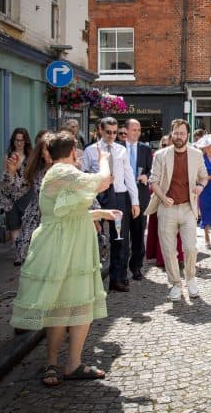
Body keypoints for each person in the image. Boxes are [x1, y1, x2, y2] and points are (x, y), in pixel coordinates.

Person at [10, 131, 120, 386]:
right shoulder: (62, 171)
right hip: (62, 246)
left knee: (78, 303)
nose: (79, 155)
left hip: (73, 243)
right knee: (61, 305)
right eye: (77, 151)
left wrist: (100, 213)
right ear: (71, 152)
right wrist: (103, 157)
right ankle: (54, 363)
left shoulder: (61, 174)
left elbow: (67, 210)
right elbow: (103, 181)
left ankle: (72, 363)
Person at [146, 119, 208, 301]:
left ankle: (191, 278)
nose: (178, 136)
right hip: (167, 208)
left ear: (187, 135)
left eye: (182, 133)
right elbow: (153, 181)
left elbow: (204, 177)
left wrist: (200, 187)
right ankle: (175, 283)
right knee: (168, 250)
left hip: (188, 208)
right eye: (176, 133)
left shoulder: (196, 155)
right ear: (171, 133)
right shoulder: (161, 155)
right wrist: (163, 198)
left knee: (190, 248)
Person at [81, 117, 140, 293]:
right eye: (108, 132)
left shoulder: (121, 150)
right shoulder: (90, 151)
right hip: (97, 197)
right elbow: (83, 175)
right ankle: (91, 281)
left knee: (120, 239)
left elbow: (129, 175)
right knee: (94, 238)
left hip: (119, 197)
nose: (112, 136)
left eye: (115, 132)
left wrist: (135, 202)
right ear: (100, 130)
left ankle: (118, 278)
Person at [121, 119, 153, 280]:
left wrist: (146, 176)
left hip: (141, 196)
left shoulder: (146, 149)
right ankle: (121, 269)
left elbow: (151, 170)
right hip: (122, 196)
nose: (137, 133)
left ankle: (137, 267)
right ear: (126, 131)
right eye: (134, 130)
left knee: (139, 233)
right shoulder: (118, 148)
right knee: (123, 235)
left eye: (139, 130)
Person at [145, 135, 184, 268]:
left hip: (177, 196)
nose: (167, 147)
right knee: (161, 230)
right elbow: (153, 178)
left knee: (177, 230)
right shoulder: (158, 156)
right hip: (160, 195)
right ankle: (162, 258)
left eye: (169, 144)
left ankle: (177, 257)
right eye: (164, 144)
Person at [0, 128, 33, 247]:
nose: (19, 143)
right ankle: (19, 253)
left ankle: (25, 252)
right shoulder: (8, 156)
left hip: (27, 194)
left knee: (27, 225)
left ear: (26, 141)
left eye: (21, 140)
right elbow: (4, 176)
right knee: (14, 226)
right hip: (11, 196)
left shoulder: (30, 156)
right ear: (13, 141)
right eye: (16, 140)